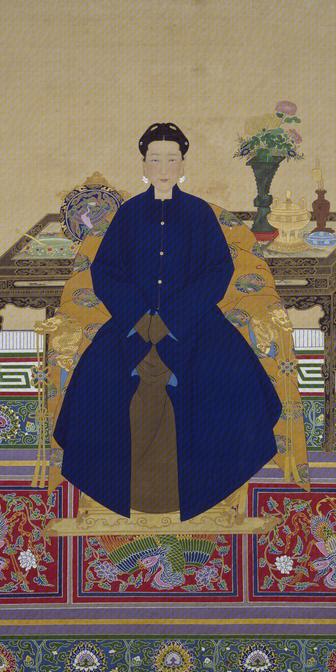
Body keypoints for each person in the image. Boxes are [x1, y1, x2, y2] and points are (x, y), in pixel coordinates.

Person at [53, 123, 283, 522]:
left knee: (227, 381)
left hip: (196, 323)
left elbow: (217, 271)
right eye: (155, 159)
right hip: (130, 325)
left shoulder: (200, 214)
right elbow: (105, 272)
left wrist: (172, 319)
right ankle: (118, 494)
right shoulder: (127, 214)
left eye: (171, 159)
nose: (163, 168)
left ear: (182, 165)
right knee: (99, 384)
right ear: (144, 166)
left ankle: (211, 491)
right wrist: (140, 318)